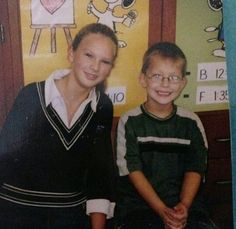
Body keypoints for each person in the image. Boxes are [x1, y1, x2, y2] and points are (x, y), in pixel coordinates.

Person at [0, 23, 118, 229]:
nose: (95, 67)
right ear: (71, 53)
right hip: (16, 214)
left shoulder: (103, 107)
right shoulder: (31, 96)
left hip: (68, 217)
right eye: (89, 55)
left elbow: (99, 175)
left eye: (105, 61)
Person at [115, 42, 216, 229]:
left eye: (174, 77)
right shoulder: (130, 121)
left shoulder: (191, 122)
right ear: (143, 79)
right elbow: (133, 170)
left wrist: (183, 206)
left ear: (183, 83)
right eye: (157, 76)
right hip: (140, 208)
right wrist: (162, 210)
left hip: (187, 207)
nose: (165, 83)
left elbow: (196, 167)